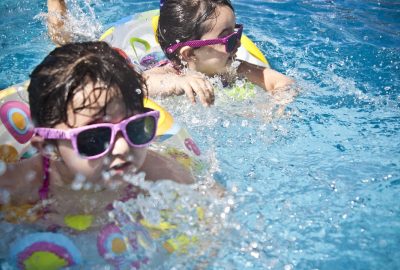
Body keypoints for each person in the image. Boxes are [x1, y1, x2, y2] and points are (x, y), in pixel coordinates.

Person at [0, 41, 194, 230]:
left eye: (134, 127)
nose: (123, 148)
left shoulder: (157, 173)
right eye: (94, 138)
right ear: (48, 147)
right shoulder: (23, 183)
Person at [46, 0, 294, 107]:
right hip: (141, 67)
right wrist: (179, 82)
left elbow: (279, 81)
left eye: (237, 34)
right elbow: (138, 85)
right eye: (228, 39)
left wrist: (279, 104)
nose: (237, 45)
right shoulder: (168, 71)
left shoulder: (235, 68)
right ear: (188, 55)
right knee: (67, 49)